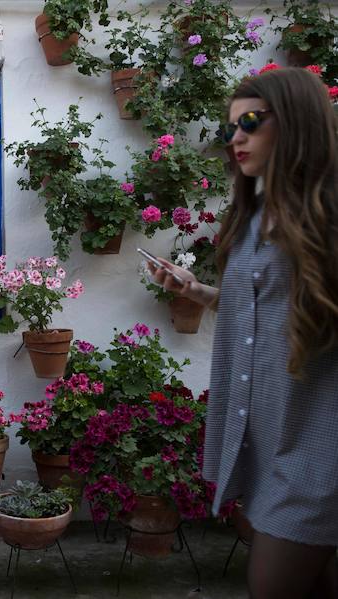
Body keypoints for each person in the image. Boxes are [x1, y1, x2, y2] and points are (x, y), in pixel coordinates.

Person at [146, 67, 338, 599]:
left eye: (250, 122)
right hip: (268, 438)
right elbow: (266, 306)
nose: (236, 139)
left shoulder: (328, 216)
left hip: (317, 443)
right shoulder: (254, 217)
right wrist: (199, 292)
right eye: (231, 126)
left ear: (296, 124)